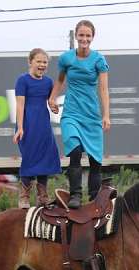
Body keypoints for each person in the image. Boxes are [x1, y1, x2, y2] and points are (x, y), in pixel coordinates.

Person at [49, 20, 110, 209]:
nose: (84, 38)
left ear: (92, 37)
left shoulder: (99, 60)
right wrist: (52, 98)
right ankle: (75, 195)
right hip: (72, 113)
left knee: (95, 161)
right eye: (81, 35)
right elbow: (60, 81)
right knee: (74, 152)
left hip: (91, 115)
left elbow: (103, 89)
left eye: (88, 35)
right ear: (76, 36)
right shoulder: (67, 59)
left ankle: (93, 198)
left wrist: (106, 115)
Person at [13, 48, 61, 209]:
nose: (42, 64)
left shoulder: (48, 82)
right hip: (27, 124)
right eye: (39, 61)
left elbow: (50, 101)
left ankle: (42, 197)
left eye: (45, 62)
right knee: (30, 158)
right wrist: (20, 127)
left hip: (43, 125)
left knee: (46, 158)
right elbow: (20, 105)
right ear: (30, 62)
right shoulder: (22, 80)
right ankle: (24, 196)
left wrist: (54, 107)